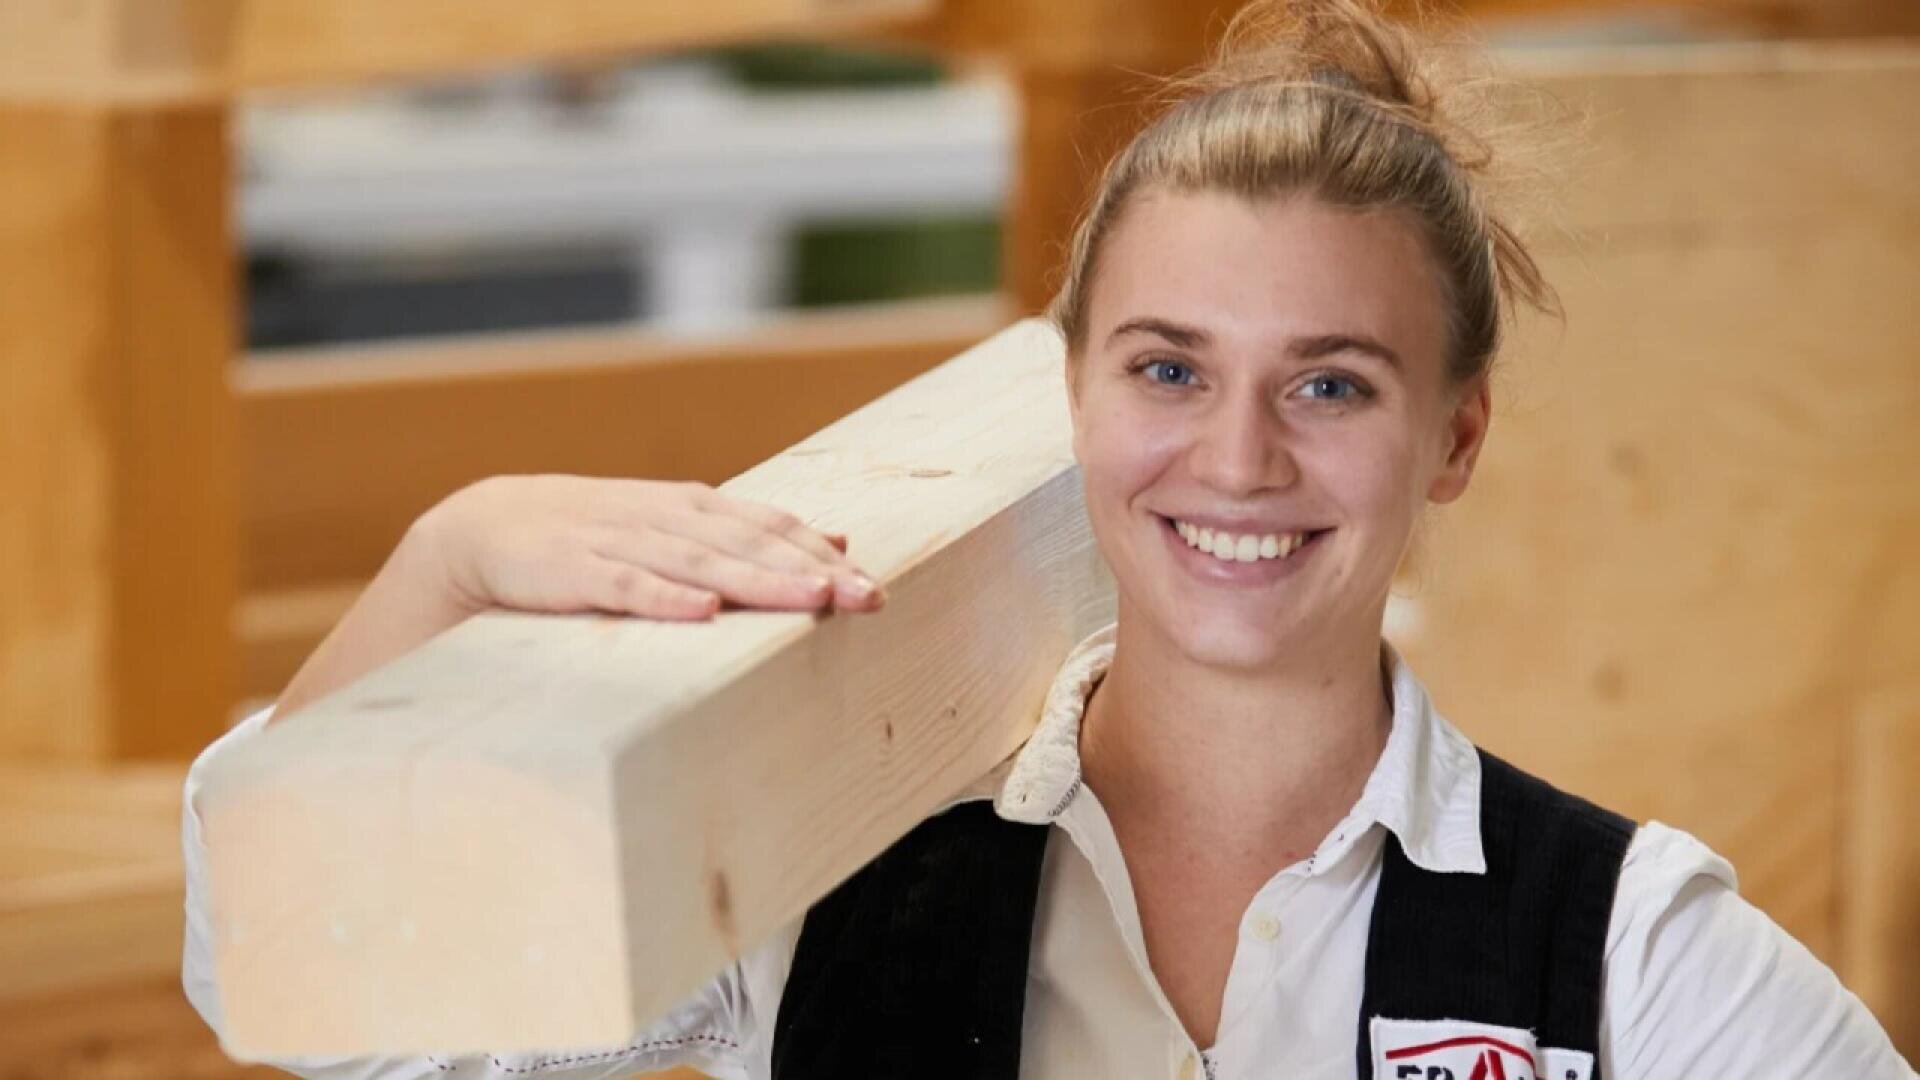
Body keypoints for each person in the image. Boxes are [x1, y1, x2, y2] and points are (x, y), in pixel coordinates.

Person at [182, 1, 1916, 1077]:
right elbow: (324, 1002)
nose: (1236, 459)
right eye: (1169, 369)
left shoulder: (1617, 950)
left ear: (1454, 437)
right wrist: (450, 557)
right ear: (1070, 396)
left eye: (1330, 385)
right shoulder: (831, 875)